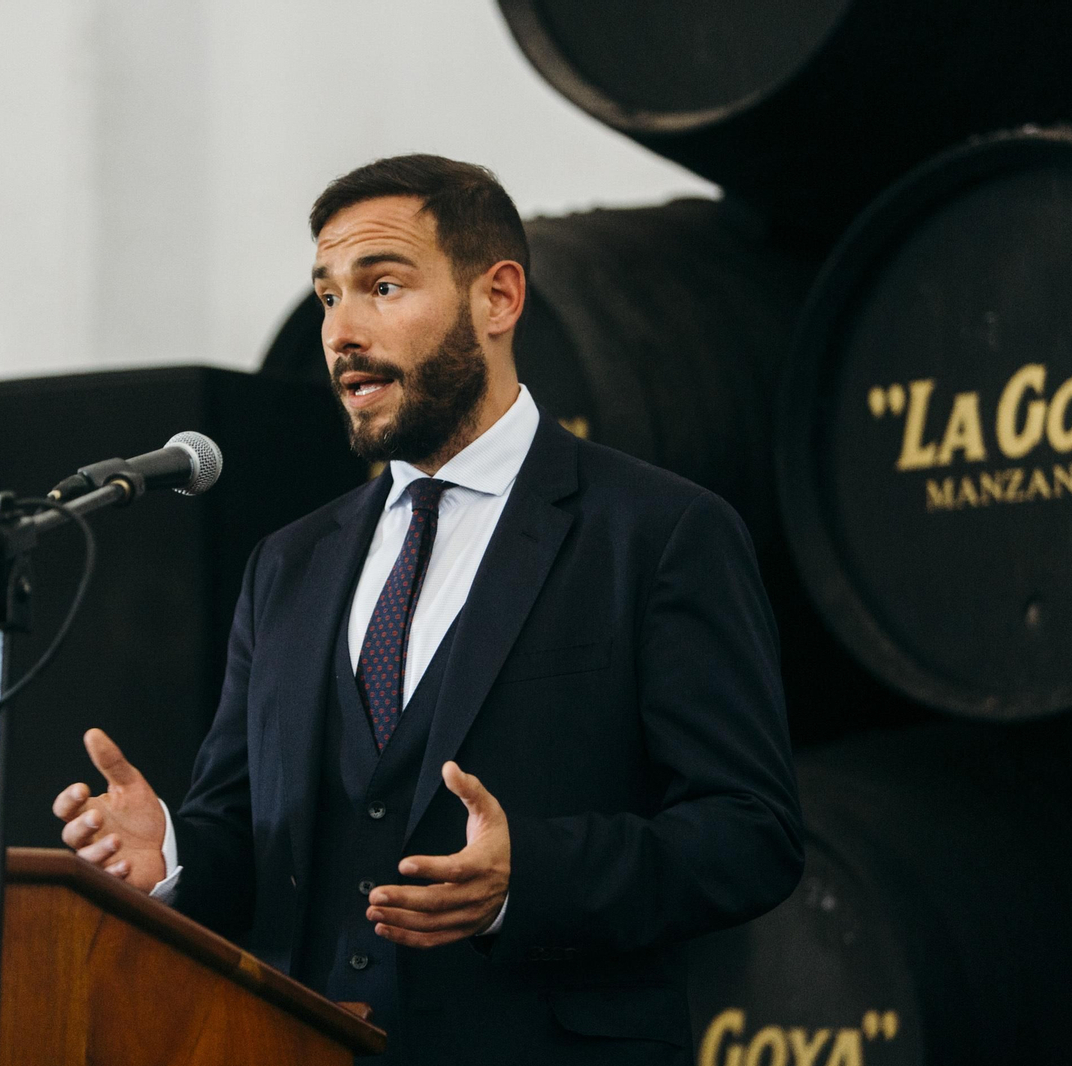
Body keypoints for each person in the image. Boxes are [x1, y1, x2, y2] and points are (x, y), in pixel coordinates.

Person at [54, 154, 802, 1064]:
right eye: (328, 296)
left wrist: (533, 875)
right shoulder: (288, 564)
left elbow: (749, 835)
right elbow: (250, 838)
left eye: (383, 285)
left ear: (498, 299)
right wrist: (169, 856)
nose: (343, 331)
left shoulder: (660, 532)